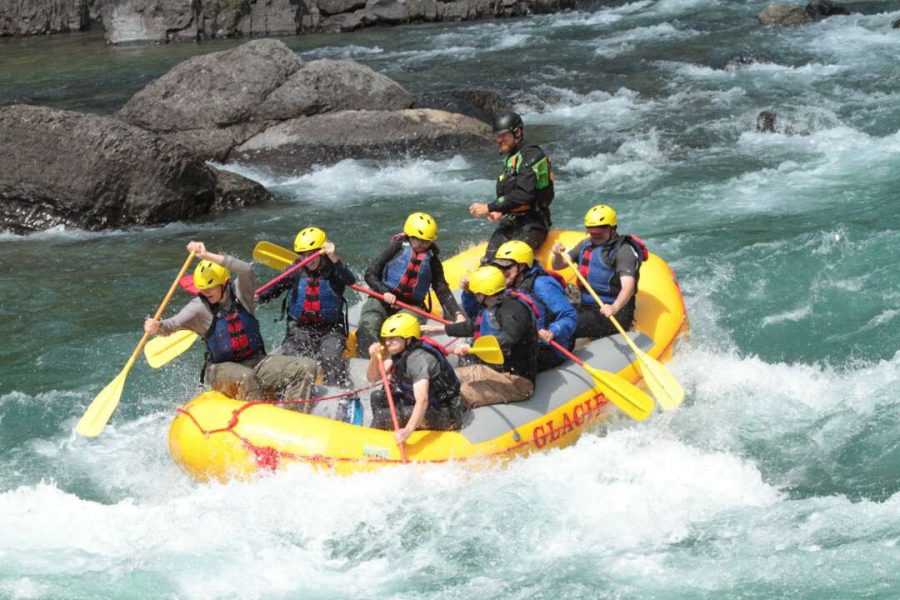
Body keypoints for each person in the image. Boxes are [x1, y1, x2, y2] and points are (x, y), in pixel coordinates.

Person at [144, 241, 317, 407]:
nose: (206, 292)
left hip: (256, 361)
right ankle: (253, 424)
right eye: (202, 289)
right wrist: (157, 326)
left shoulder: (242, 295)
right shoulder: (198, 308)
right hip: (220, 370)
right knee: (246, 376)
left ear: (225, 283)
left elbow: (246, 269)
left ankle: (293, 416)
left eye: (211, 288)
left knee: (306, 367)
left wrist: (206, 255)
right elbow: (171, 325)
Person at [423, 265, 538, 408]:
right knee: (445, 380)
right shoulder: (494, 307)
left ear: (483, 294)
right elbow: (472, 326)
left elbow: (510, 336)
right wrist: (437, 329)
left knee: (456, 394)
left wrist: (472, 348)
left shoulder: (512, 309)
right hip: (493, 370)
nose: (474, 295)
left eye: (476, 292)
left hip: (516, 380)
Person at [256, 227, 356, 388]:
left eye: (312, 255)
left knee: (330, 355)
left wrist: (333, 257)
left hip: (330, 330)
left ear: (321, 252)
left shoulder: (335, 270)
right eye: (304, 255)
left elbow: (350, 280)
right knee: (291, 355)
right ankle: (292, 391)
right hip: (300, 329)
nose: (308, 259)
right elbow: (274, 289)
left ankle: (334, 392)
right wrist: (259, 296)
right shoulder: (295, 271)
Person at [357, 211, 466, 358]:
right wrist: (384, 292)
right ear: (409, 235)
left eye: (426, 241)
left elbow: (442, 289)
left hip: (412, 306)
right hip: (382, 298)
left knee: (403, 332)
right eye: (417, 239)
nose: (421, 244)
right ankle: (371, 362)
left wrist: (457, 314)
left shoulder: (432, 261)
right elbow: (370, 273)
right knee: (368, 323)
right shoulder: (396, 248)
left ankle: (398, 366)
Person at [468, 111, 555, 263]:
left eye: (503, 135)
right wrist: (500, 211)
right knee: (489, 262)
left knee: (509, 263)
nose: (499, 140)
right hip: (513, 220)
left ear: (518, 132)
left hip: (533, 223)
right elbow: (512, 192)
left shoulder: (532, 155)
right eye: (497, 136)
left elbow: (524, 195)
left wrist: (489, 207)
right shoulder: (513, 156)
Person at [365, 313, 465, 443]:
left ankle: (372, 446)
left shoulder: (419, 359)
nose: (387, 343)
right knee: (377, 396)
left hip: (445, 413)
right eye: (386, 338)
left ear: (408, 338)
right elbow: (373, 378)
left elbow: (422, 400)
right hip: (427, 406)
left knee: (381, 416)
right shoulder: (399, 351)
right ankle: (386, 438)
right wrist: (373, 357)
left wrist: (407, 431)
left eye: (393, 338)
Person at [550, 204, 645, 339]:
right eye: (592, 233)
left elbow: (628, 288)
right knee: (551, 316)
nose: (595, 238)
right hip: (586, 305)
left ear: (612, 229)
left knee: (567, 325)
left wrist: (614, 307)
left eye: (599, 234)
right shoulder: (585, 244)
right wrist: (557, 255)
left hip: (613, 312)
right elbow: (558, 266)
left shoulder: (623, 251)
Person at [492, 240, 576, 371]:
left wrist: (552, 331)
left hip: (551, 348)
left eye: (507, 267)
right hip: (526, 341)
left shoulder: (542, 285)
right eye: (499, 267)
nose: (502, 272)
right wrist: (469, 294)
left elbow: (569, 315)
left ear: (521, 266)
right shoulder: (507, 286)